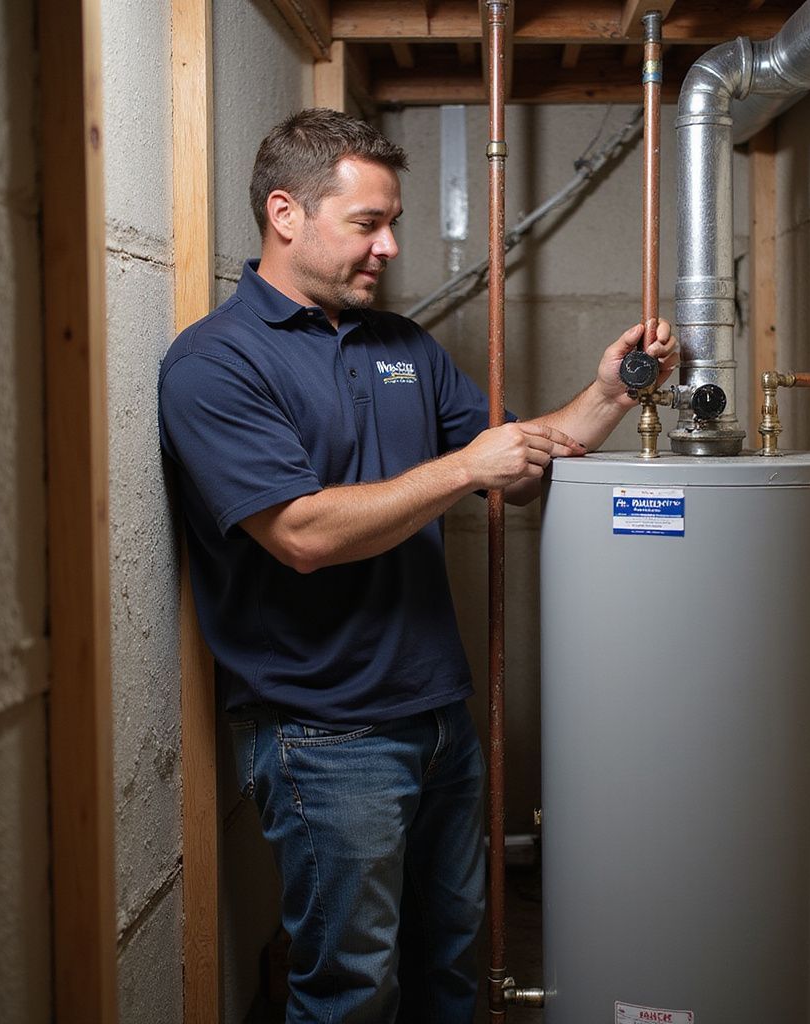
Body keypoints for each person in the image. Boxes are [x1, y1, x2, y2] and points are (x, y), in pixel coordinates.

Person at [158, 107, 676, 1024]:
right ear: (285, 214)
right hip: (325, 736)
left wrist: (606, 393)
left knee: (452, 961)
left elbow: (514, 466)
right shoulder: (216, 364)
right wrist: (468, 466)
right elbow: (303, 535)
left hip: (439, 717)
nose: (390, 246)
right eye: (367, 224)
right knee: (352, 988)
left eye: (391, 221)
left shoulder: (404, 349)